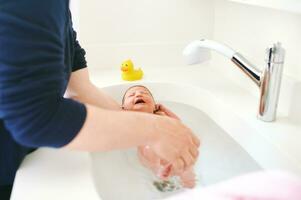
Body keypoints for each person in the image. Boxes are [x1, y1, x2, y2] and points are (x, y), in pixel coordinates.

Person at [0, 1, 200, 199]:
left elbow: (80, 89)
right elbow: (37, 118)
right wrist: (154, 131)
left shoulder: (57, 10)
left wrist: (148, 133)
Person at [122, 85, 196, 188]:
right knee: (151, 160)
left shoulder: (160, 115)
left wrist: (165, 110)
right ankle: (160, 174)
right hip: (150, 155)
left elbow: (178, 123)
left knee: (186, 171)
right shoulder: (128, 121)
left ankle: (190, 185)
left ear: (154, 105)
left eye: (144, 93)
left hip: (173, 154)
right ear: (124, 109)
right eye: (131, 95)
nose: (138, 94)